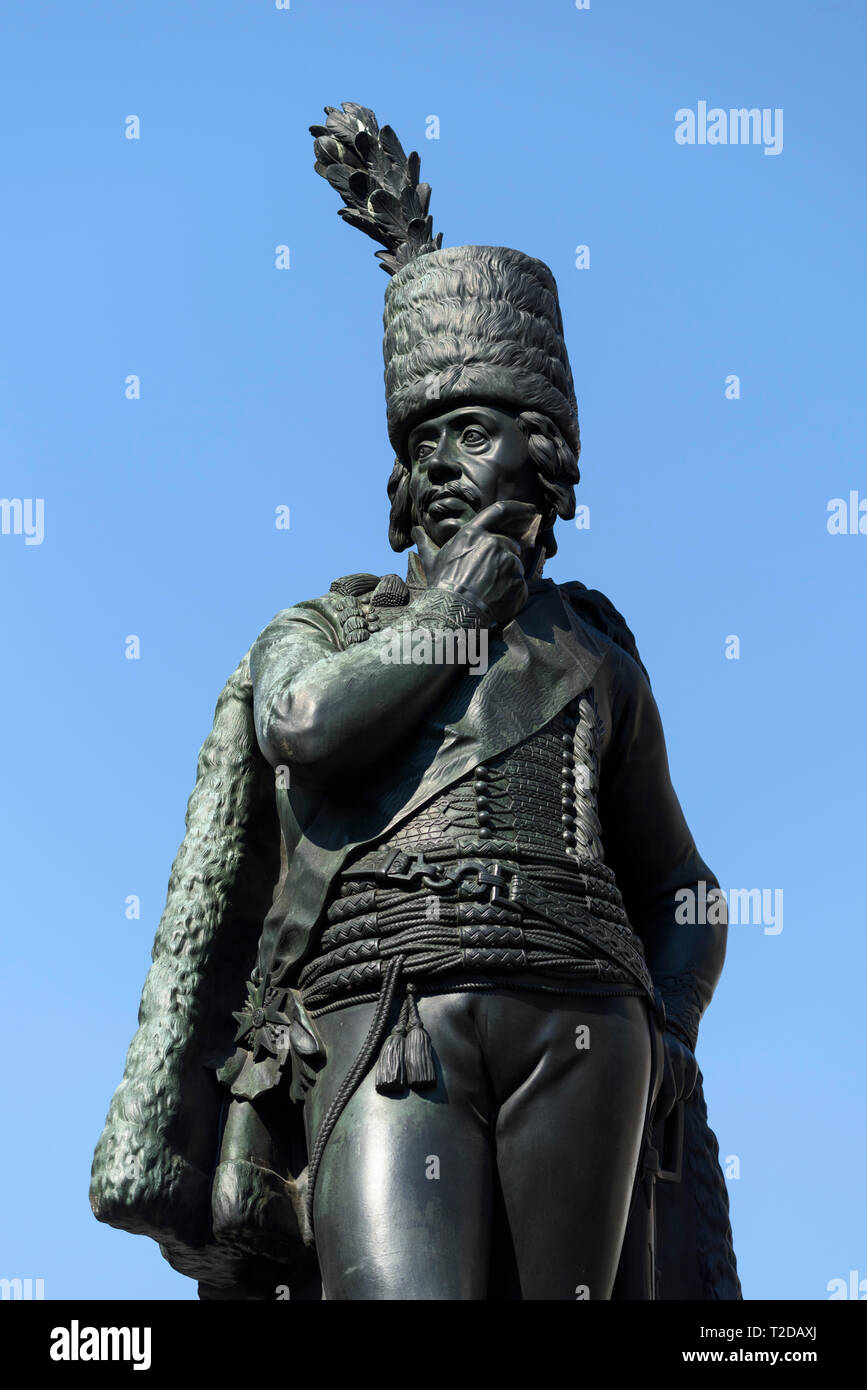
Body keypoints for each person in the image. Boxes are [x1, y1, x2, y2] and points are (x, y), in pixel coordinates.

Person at [90, 104, 740, 1301]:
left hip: (587, 1021)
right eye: (426, 439)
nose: (444, 460)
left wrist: (673, 1031)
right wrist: (463, 609)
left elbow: (688, 890)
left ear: (539, 460)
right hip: (386, 1015)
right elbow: (305, 727)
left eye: (476, 433)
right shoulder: (328, 627)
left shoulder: (599, 657)